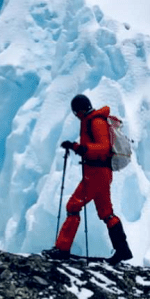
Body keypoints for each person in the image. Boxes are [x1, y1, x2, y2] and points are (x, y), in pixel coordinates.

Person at [49, 94, 132, 264]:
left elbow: (103, 147)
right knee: (106, 213)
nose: (76, 116)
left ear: (79, 110)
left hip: (96, 173)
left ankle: (62, 249)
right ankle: (122, 250)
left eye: (75, 113)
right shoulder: (94, 120)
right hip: (99, 173)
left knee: (73, 206)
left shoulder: (96, 122)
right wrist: (76, 147)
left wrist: (79, 147)